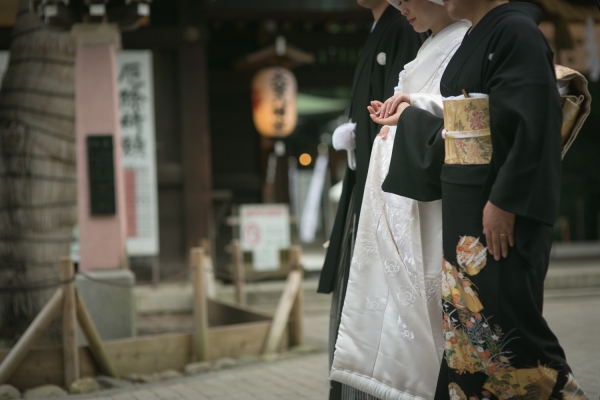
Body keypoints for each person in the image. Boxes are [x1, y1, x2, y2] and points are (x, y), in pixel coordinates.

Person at [378, 1, 589, 399]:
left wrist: (505, 201)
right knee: (469, 333)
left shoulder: (516, 32)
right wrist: (411, 114)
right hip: (467, 206)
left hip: (498, 208)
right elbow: (461, 126)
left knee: (507, 328)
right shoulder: (479, 33)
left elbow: (531, 123)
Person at [329, 1, 469, 398]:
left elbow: (474, 110)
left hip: (421, 203)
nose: (402, 6)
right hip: (395, 199)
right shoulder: (430, 44)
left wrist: (412, 107)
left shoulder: (464, 40)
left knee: (418, 322)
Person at [317, 1, 426, 398]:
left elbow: (399, 109)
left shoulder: (402, 26)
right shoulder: (385, 26)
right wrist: (356, 136)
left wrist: (366, 138)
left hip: (382, 188)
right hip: (363, 178)